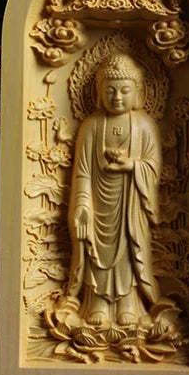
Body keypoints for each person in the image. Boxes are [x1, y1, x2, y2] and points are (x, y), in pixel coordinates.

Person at [66, 54, 163, 327]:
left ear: (137, 92)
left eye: (124, 90)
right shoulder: (92, 126)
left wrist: (132, 165)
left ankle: (128, 304)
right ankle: (96, 304)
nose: (117, 96)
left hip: (131, 204)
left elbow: (153, 166)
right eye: (109, 90)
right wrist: (82, 205)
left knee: (129, 252)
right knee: (96, 252)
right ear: (99, 92)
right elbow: (82, 171)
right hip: (98, 204)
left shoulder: (144, 126)